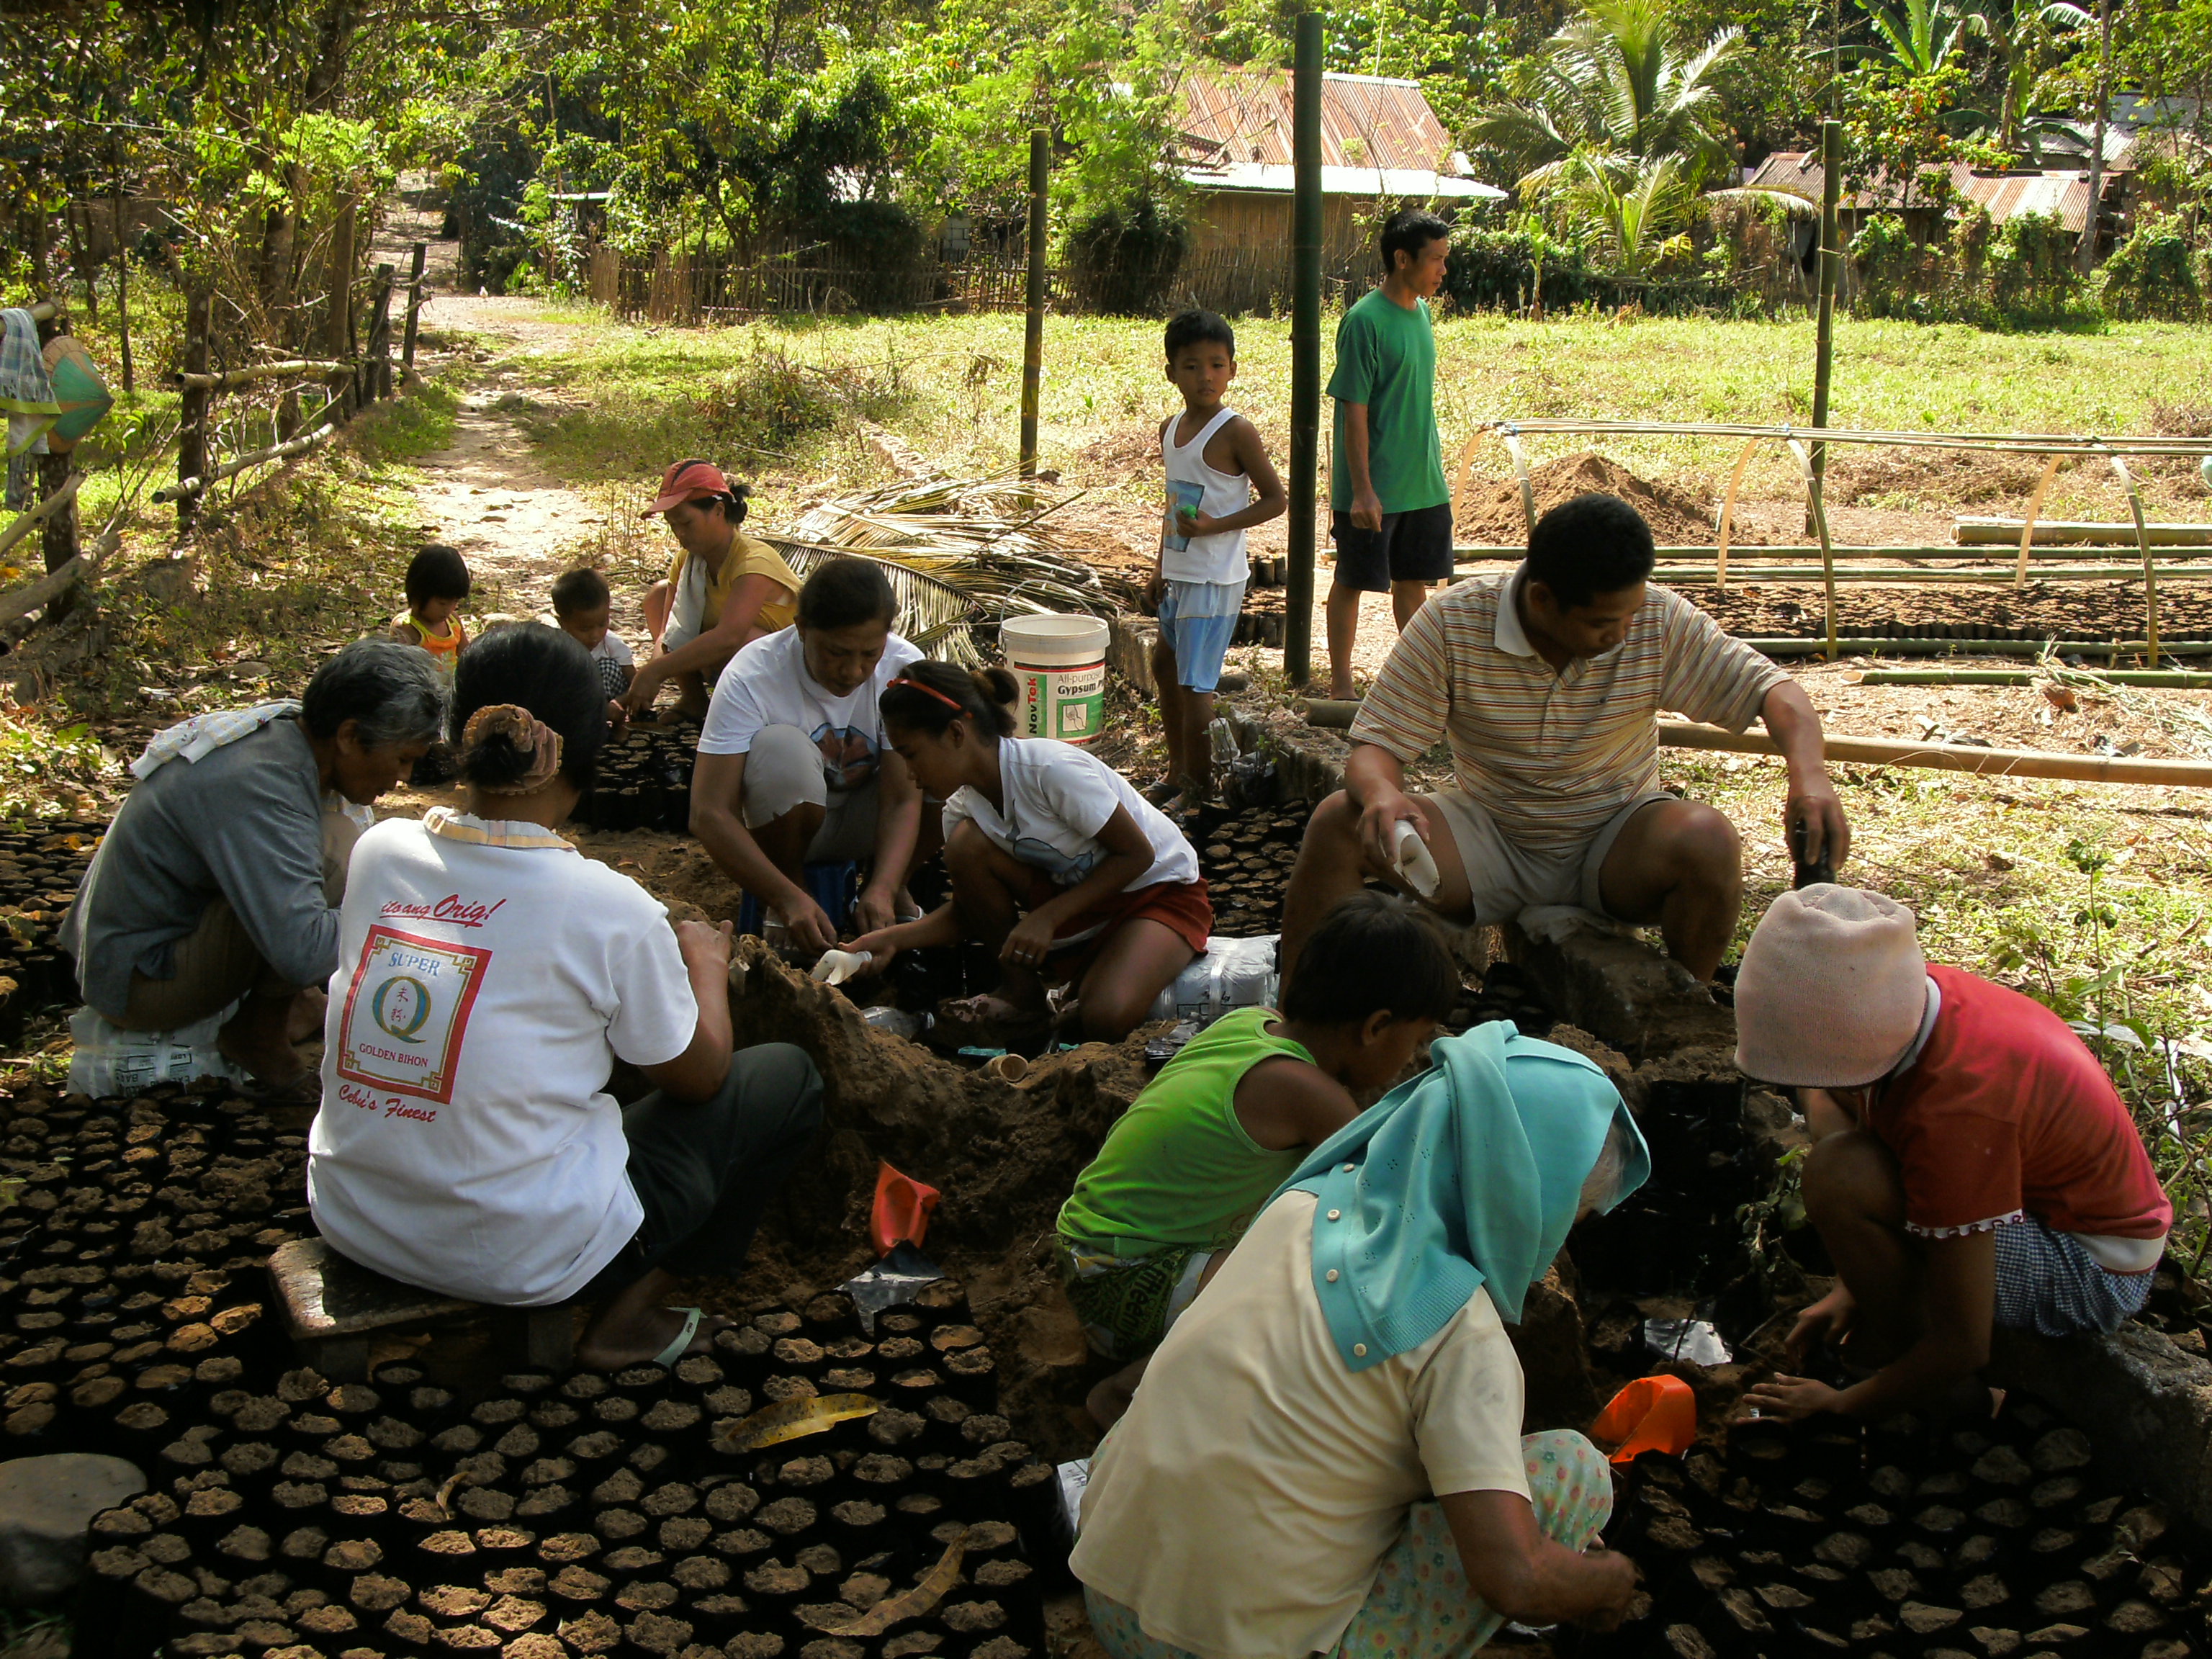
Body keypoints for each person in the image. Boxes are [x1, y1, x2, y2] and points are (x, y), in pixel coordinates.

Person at [308, 623, 824, 1367]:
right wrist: (706, 967)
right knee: (784, 1078)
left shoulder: (380, 854)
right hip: (523, 1254)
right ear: (589, 750)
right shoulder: (609, 907)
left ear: (459, 736)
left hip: (356, 1215)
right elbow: (701, 1077)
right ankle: (632, 1315)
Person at [1072, 1020, 1649, 1659]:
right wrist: (1608, 1584)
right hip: (1225, 1648)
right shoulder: (1461, 1333)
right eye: (1571, 1214)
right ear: (1524, 1194)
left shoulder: (1300, 1205)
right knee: (1574, 1470)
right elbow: (1515, 1578)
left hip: (1111, 1598)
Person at [1281, 492, 1849, 987]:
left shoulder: (1653, 617)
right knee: (1339, 821)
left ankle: (1682, 1014)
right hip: (1493, 837)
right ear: (1542, 599)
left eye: (1628, 618)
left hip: (1617, 844)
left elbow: (1777, 692)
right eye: (1603, 625)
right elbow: (1376, 748)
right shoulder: (1454, 623)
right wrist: (1382, 793)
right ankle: (1300, 1020)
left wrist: (1811, 777)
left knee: (1709, 838)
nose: (1622, 634)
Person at [1736, 885, 2171, 1424]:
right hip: (2028, 1200)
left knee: (1839, 1176)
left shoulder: (1958, 1110)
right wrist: (1853, 1286)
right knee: (1835, 1134)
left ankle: (1958, 1399)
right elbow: (1836, 1095)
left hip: (2090, 1265)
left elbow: (1965, 1342)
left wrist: (1839, 1406)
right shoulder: (1896, 995)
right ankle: (1892, 1332)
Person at [1058, 891, 1458, 1426]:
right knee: (1313, 1274)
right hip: (1127, 1287)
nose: (1415, 1055)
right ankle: (1130, 1393)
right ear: (1375, 1027)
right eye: (1418, 1038)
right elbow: (1395, 1195)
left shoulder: (1251, 1026)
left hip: (1090, 1258)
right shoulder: (1305, 1092)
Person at [60, 641, 444, 1101]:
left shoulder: (286, 734)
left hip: (141, 940)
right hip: (138, 979)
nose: (402, 777)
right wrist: (404, 914)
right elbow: (303, 951)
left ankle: (285, 1006)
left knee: (342, 845)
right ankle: (257, 1036)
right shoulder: (263, 786)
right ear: (348, 736)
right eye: (402, 759)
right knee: (348, 867)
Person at [845, 660, 1210, 1046]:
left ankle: (1107, 977)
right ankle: (1024, 996)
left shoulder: (1048, 770)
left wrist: (1048, 918)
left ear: (956, 733)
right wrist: (893, 940)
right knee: (965, 846)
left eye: (911, 754)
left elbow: (1138, 855)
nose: (909, 772)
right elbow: (969, 912)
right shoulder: (963, 809)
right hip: (1081, 909)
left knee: (1104, 1020)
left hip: (1157, 894)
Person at [691, 558, 925, 951]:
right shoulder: (754, 674)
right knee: (781, 750)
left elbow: (904, 797)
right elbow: (709, 812)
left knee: (943, 764)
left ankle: (896, 884)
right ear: (800, 629)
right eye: (836, 652)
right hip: (784, 825)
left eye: (870, 653)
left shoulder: (903, 669)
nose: (853, 671)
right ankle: (792, 888)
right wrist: (785, 897)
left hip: (872, 820)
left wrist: (883, 885)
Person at [1148, 310, 1285, 806]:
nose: (1204, 376)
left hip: (1212, 579)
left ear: (1232, 369)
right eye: (1191, 366)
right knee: (1165, 666)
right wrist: (1160, 564)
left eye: (1215, 364)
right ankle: (1178, 769)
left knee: (1195, 688)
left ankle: (1198, 793)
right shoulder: (1171, 428)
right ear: (1171, 372)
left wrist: (1212, 527)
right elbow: (1174, 503)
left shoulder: (1235, 431)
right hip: (1181, 575)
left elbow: (1276, 499)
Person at [1326, 209, 1455, 702]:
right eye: (1436, 260)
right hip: (1374, 488)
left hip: (1423, 484)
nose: (1443, 270)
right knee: (1353, 580)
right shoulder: (1364, 322)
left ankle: (1421, 686)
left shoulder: (1420, 312)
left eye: (1445, 259)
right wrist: (1362, 490)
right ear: (1403, 259)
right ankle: (1341, 684)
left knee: (1413, 585)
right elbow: (1353, 409)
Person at [629, 459, 804, 719]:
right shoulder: (687, 561)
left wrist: (655, 672)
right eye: (672, 525)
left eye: (686, 523)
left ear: (719, 511)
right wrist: (642, 686)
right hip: (724, 662)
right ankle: (694, 700)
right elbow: (669, 634)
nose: (679, 533)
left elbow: (729, 637)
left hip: (788, 673)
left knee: (745, 641)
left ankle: (750, 715)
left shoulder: (754, 562)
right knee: (658, 595)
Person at [553, 567, 635, 730]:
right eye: (585, 629)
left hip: (612, 701)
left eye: (602, 624)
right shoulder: (559, 647)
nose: (595, 635)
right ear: (562, 623)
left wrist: (619, 702)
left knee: (605, 668)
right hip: (578, 703)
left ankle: (618, 726)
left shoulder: (612, 645)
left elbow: (635, 683)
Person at [390, 544, 472, 687]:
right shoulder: (407, 628)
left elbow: (467, 655)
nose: (448, 610)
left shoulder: (453, 621)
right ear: (419, 595)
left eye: (455, 602)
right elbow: (400, 674)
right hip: (424, 696)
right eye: (442, 603)